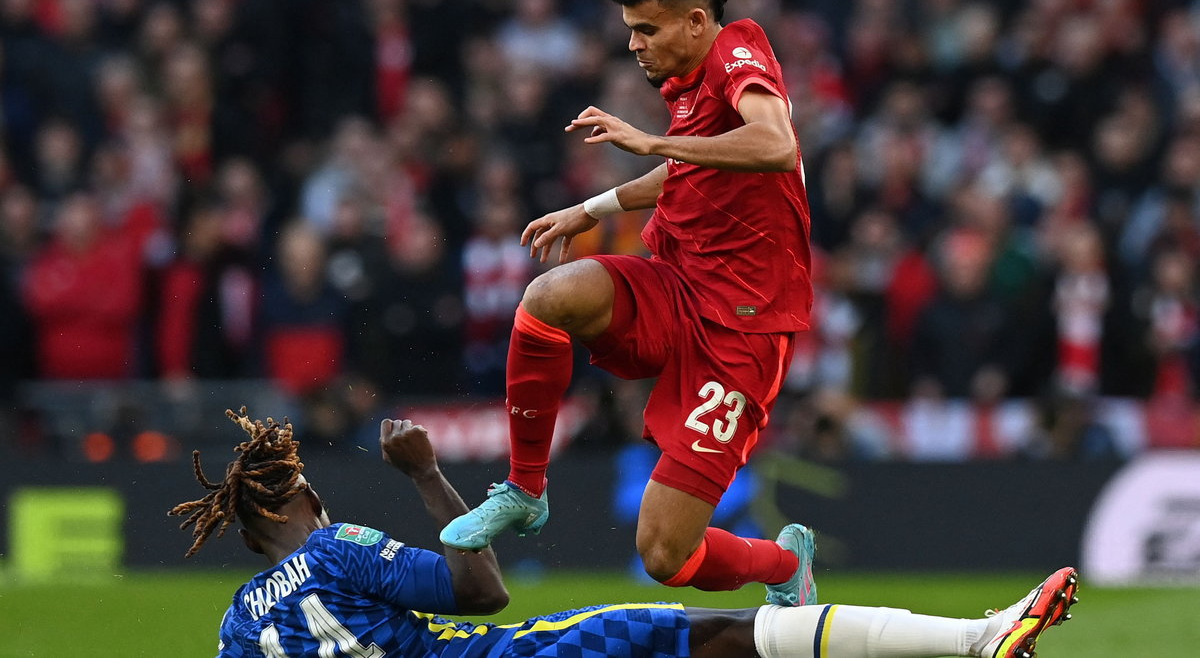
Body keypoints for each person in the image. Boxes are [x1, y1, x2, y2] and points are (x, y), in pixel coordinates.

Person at [440, 0, 819, 603]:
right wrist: (590, 208)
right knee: (549, 296)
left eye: (647, 29)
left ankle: (781, 566)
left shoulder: (737, 50)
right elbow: (689, 169)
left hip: (743, 332)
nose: (633, 44)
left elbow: (776, 146)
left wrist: (651, 140)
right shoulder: (693, 87)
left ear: (697, 22)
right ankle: (525, 490)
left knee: (664, 554)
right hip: (678, 286)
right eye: (630, 28)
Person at [171, 411, 1078, 657]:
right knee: (716, 633)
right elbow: (483, 589)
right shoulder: (334, 551)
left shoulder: (234, 631)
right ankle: (978, 637)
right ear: (283, 507)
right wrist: (423, 473)